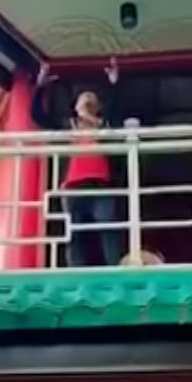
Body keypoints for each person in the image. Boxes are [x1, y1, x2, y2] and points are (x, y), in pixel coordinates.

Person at [61, 90, 126, 267]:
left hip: (100, 184)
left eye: (92, 98)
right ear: (75, 106)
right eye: (84, 98)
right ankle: (76, 272)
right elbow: (38, 116)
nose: (88, 99)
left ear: (98, 107)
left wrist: (114, 85)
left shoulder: (104, 125)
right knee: (74, 233)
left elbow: (116, 120)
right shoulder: (70, 125)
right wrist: (40, 86)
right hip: (74, 186)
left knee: (108, 230)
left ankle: (114, 269)